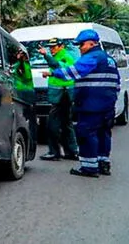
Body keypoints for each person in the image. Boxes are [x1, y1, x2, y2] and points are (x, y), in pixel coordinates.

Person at [43, 29, 120, 177]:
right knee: (103, 133)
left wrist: (53, 73)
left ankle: (89, 167)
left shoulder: (92, 57)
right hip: (107, 106)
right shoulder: (109, 60)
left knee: (86, 133)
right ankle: (103, 164)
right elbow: (116, 85)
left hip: (90, 105)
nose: (80, 48)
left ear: (92, 43)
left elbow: (73, 72)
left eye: (81, 44)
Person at [38, 38, 79, 161]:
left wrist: (46, 55)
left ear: (61, 46)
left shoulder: (65, 56)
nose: (51, 49)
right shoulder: (58, 55)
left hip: (63, 96)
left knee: (52, 124)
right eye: (50, 47)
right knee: (66, 124)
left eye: (54, 46)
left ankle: (54, 152)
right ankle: (71, 152)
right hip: (61, 95)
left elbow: (58, 67)